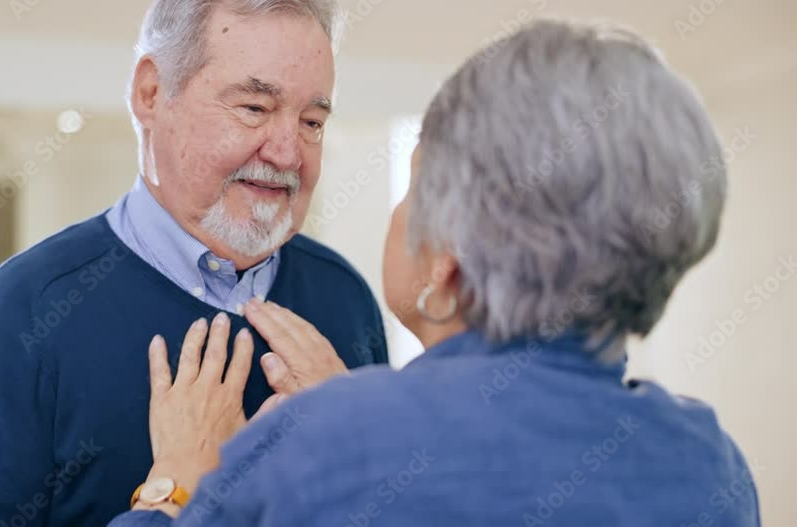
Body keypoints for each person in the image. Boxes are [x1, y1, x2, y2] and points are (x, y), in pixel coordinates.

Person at [108, 19, 761, 527]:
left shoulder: (326, 444)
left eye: (415, 183)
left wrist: (174, 487)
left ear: (448, 254)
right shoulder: (708, 463)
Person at [0, 1, 387, 525]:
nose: (287, 152)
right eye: (253, 108)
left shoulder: (344, 296)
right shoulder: (27, 310)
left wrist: (361, 454)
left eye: (312, 121)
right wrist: (180, 490)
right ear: (152, 93)